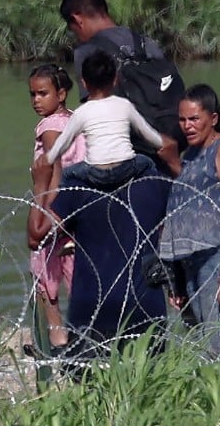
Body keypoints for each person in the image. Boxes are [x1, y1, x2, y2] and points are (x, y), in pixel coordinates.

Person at [28, 152, 170, 363]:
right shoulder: (154, 184)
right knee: (150, 381)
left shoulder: (78, 190)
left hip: (91, 308)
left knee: (89, 385)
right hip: (145, 304)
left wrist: (41, 184)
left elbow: (36, 237)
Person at [158, 84, 220, 357]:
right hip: (192, 263)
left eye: (194, 119)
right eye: (182, 119)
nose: (187, 126)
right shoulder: (190, 156)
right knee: (204, 348)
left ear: (213, 119)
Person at [59, 0, 187, 173]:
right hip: (171, 144)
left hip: (128, 154)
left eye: (73, 30)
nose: (76, 36)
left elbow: (96, 110)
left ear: (78, 19)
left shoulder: (87, 52)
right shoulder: (144, 42)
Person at [43, 50, 180, 188]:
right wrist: (161, 142)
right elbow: (147, 134)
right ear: (115, 79)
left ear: (83, 83)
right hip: (126, 168)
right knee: (148, 162)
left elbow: (63, 143)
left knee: (66, 174)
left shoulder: (81, 112)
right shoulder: (125, 105)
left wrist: (48, 159)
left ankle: (57, 207)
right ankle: (154, 192)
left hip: (95, 172)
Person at [25, 64, 86, 353]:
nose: (36, 100)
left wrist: (47, 213)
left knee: (44, 277)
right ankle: (88, 338)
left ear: (61, 94)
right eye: (32, 94)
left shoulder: (50, 128)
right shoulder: (74, 120)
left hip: (55, 207)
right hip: (80, 206)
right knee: (78, 278)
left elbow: (54, 168)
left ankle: (58, 342)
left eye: (43, 93)